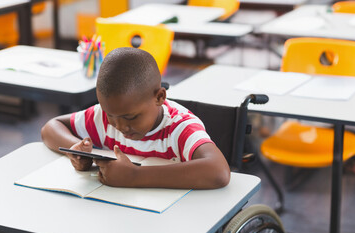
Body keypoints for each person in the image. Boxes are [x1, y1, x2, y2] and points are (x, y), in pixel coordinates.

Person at [41, 47, 230, 189]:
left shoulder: (180, 127)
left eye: (130, 117)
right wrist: (76, 151)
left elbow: (218, 172)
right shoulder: (105, 118)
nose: (119, 126)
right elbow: (51, 127)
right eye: (110, 115)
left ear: (159, 98)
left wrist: (135, 176)